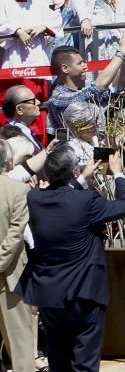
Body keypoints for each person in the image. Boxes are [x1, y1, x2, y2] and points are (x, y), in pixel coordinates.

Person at [17, 144, 125, 372]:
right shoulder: (87, 201)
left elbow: (64, 201)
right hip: (84, 293)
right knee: (85, 362)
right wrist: (118, 173)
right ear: (72, 173)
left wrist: (80, 178)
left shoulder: (34, 199)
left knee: (58, 360)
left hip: (49, 293)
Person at [0, 140, 32, 372]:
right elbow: (15, 233)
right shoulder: (18, 190)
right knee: (20, 343)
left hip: (9, 278)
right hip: (9, 276)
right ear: (9, 162)